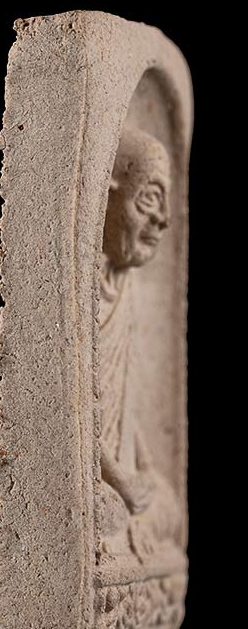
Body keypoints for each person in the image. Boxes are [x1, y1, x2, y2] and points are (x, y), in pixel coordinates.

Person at [98, 126, 181, 564]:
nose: (164, 219)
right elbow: (70, 414)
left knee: (169, 508)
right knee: (105, 514)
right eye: (149, 199)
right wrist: (124, 483)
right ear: (107, 197)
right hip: (102, 477)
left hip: (124, 473)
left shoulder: (125, 286)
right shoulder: (80, 296)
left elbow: (127, 410)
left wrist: (144, 472)